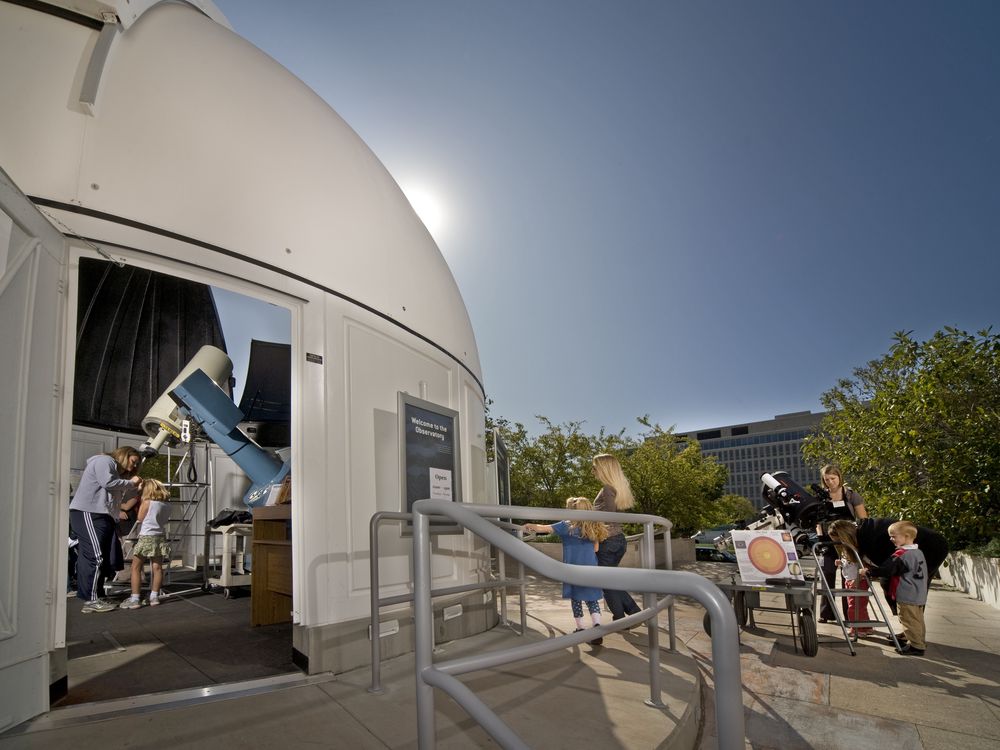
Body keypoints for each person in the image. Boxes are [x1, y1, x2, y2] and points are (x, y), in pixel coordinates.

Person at [525, 497, 610, 645]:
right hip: (590, 567)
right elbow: (596, 549)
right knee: (592, 598)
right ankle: (597, 626)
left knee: (576, 598)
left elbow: (543, 528)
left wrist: (530, 525)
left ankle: (581, 628)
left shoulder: (566, 526)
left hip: (572, 568)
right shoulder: (593, 526)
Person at [69, 447, 143, 612]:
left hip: (101, 515)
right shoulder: (105, 461)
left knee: (102, 557)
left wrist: (133, 488)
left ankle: (96, 596)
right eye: (134, 461)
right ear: (125, 455)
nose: (135, 465)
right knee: (95, 556)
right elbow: (107, 483)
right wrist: (131, 483)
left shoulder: (115, 472)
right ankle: (91, 600)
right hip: (88, 512)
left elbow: (116, 497)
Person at [828, 517, 949, 614]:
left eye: (839, 542)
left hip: (931, 547)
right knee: (906, 590)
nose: (840, 546)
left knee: (910, 589)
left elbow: (887, 569)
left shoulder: (871, 540)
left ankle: (912, 635)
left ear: (845, 537)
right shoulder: (863, 530)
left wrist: (870, 573)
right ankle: (908, 626)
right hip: (932, 544)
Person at [861, 520, 929, 656]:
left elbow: (887, 570)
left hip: (907, 594)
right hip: (919, 593)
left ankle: (916, 647)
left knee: (908, 620)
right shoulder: (918, 553)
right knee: (918, 620)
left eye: (894, 536)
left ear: (907, 536)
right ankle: (919, 640)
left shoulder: (901, 555)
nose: (891, 539)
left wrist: (868, 572)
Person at [591, 453, 642, 622]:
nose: (592, 470)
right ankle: (628, 615)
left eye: (595, 466)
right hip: (618, 540)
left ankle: (625, 617)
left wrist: (590, 517)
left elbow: (609, 516)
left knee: (607, 583)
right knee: (610, 581)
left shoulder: (607, 488)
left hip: (608, 542)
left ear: (604, 469)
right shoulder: (616, 487)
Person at [815, 464, 867, 623]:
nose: (830, 482)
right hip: (827, 541)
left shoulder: (851, 495)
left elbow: (863, 518)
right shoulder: (820, 496)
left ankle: (849, 615)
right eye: (827, 479)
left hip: (847, 542)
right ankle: (826, 614)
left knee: (849, 578)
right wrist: (820, 538)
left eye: (833, 478)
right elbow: (817, 521)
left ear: (839, 477)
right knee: (827, 573)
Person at [119, 479, 172, 609]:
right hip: (159, 537)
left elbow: (140, 518)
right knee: (157, 568)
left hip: (146, 537)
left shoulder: (147, 502)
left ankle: (135, 598)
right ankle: (154, 597)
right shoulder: (167, 505)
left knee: (135, 567)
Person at [835, 541, 872, 636]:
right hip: (850, 580)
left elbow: (862, 567)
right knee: (860, 606)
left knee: (854, 606)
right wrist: (841, 563)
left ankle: (857, 628)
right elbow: (848, 564)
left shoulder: (854, 550)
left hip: (857, 581)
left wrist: (856, 581)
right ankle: (866, 627)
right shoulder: (845, 550)